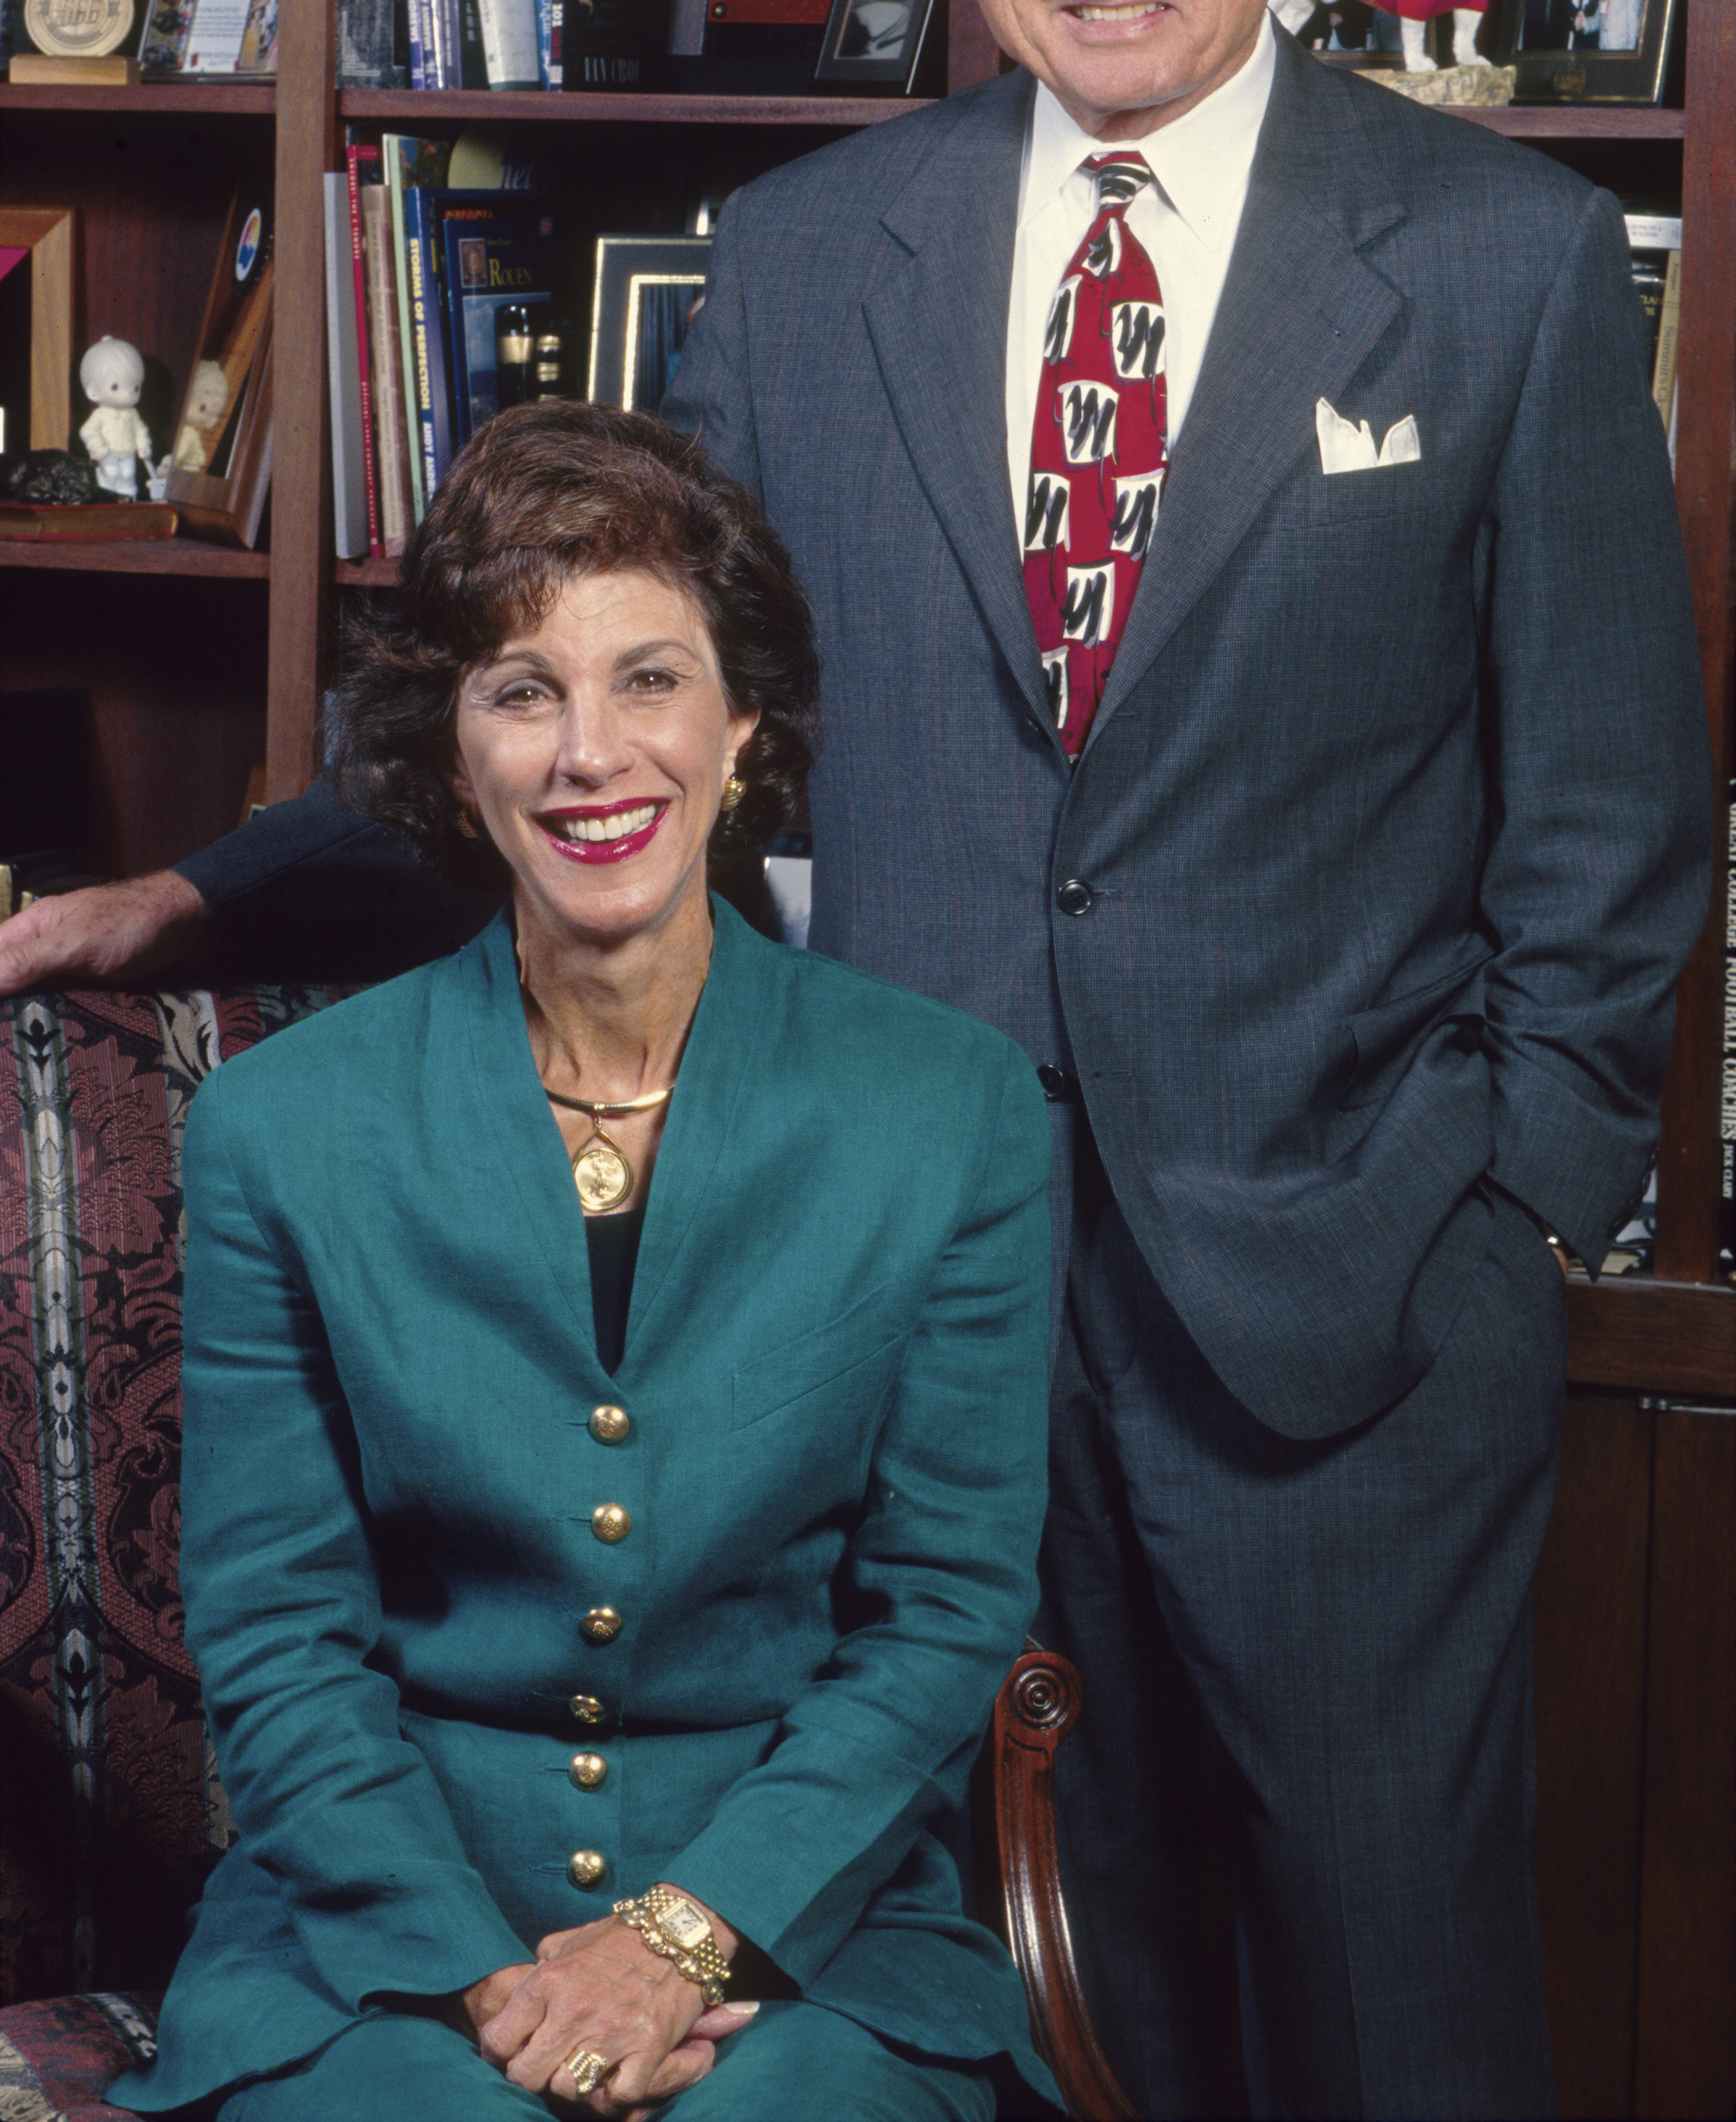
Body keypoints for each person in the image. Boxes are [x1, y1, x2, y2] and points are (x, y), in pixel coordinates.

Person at [6, 0, 1711, 2122]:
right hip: (903, 1281)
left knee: (1384, 1982)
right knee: (1026, 1962)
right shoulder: (805, 261)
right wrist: (194, 898)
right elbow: (585, 702)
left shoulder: (1498, 260)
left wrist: (1508, 1212)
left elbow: (1605, 805)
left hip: (1353, 1302)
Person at [104, 404, 1058, 2122]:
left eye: (651, 678)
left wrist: (685, 1937)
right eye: (523, 688)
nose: (590, 751)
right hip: (381, 1931)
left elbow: (940, 1610)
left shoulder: (953, 1106)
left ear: (744, 718)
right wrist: (493, 1980)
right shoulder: (279, 1126)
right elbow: (280, 1628)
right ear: (450, 750)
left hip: (807, 1914)